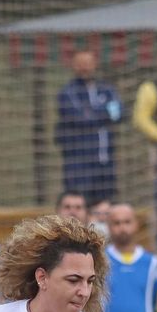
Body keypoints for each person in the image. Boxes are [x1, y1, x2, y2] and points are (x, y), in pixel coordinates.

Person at [56, 50, 123, 207]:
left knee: (105, 205)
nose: (84, 67)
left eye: (87, 63)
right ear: (73, 65)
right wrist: (103, 112)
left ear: (95, 64)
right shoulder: (68, 92)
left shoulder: (107, 89)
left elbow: (117, 114)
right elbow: (79, 117)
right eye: (80, 63)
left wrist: (93, 112)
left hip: (105, 161)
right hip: (78, 163)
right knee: (79, 205)